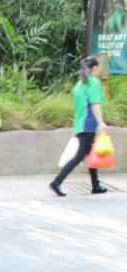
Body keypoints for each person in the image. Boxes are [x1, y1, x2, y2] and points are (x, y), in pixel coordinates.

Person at [49, 56, 108, 196]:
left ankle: (96, 185)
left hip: (80, 125)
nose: (100, 70)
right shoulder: (94, 83)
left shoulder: (79, 85)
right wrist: (101, 122)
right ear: (94, 69)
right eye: (99, 67)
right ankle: (57, 182)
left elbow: (78, 108)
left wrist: (76, 129)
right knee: (79, 156)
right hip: (88, 125)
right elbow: (95, 104)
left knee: (89, 153)